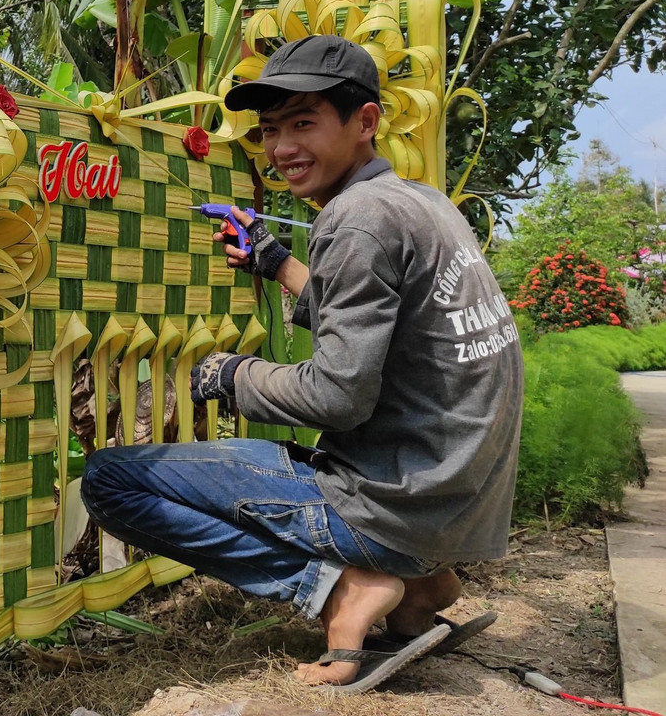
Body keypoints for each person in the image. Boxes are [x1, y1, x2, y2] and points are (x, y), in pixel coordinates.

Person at [79, 34, 523, 694]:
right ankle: (423, 583)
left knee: (109, 481)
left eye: (305, 123)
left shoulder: (359, 216)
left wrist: (231, 377)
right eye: (270, 131)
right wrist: (276, 261)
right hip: (450, 508)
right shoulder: (421, 203)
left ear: (364, 121)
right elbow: (371, 318)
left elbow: (338, 396)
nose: (283, 148)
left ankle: (344, 589)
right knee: (280, 458)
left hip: (390, 507)